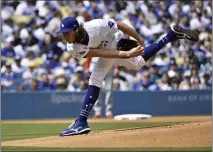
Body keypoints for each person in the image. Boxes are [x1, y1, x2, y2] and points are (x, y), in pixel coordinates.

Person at [57, 17, 198, 136]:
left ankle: (81, 121)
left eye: (66, 33)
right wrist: (126, 54)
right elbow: (101, 54)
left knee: (97, 77)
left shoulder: (96, 26)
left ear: (76, 30)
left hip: (113, 39)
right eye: (62, 33)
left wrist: (139, 38)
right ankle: (170, 36)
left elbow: (120, 25)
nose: (64, 36)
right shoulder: (72, 47)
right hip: (105, 49)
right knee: (136, 64)